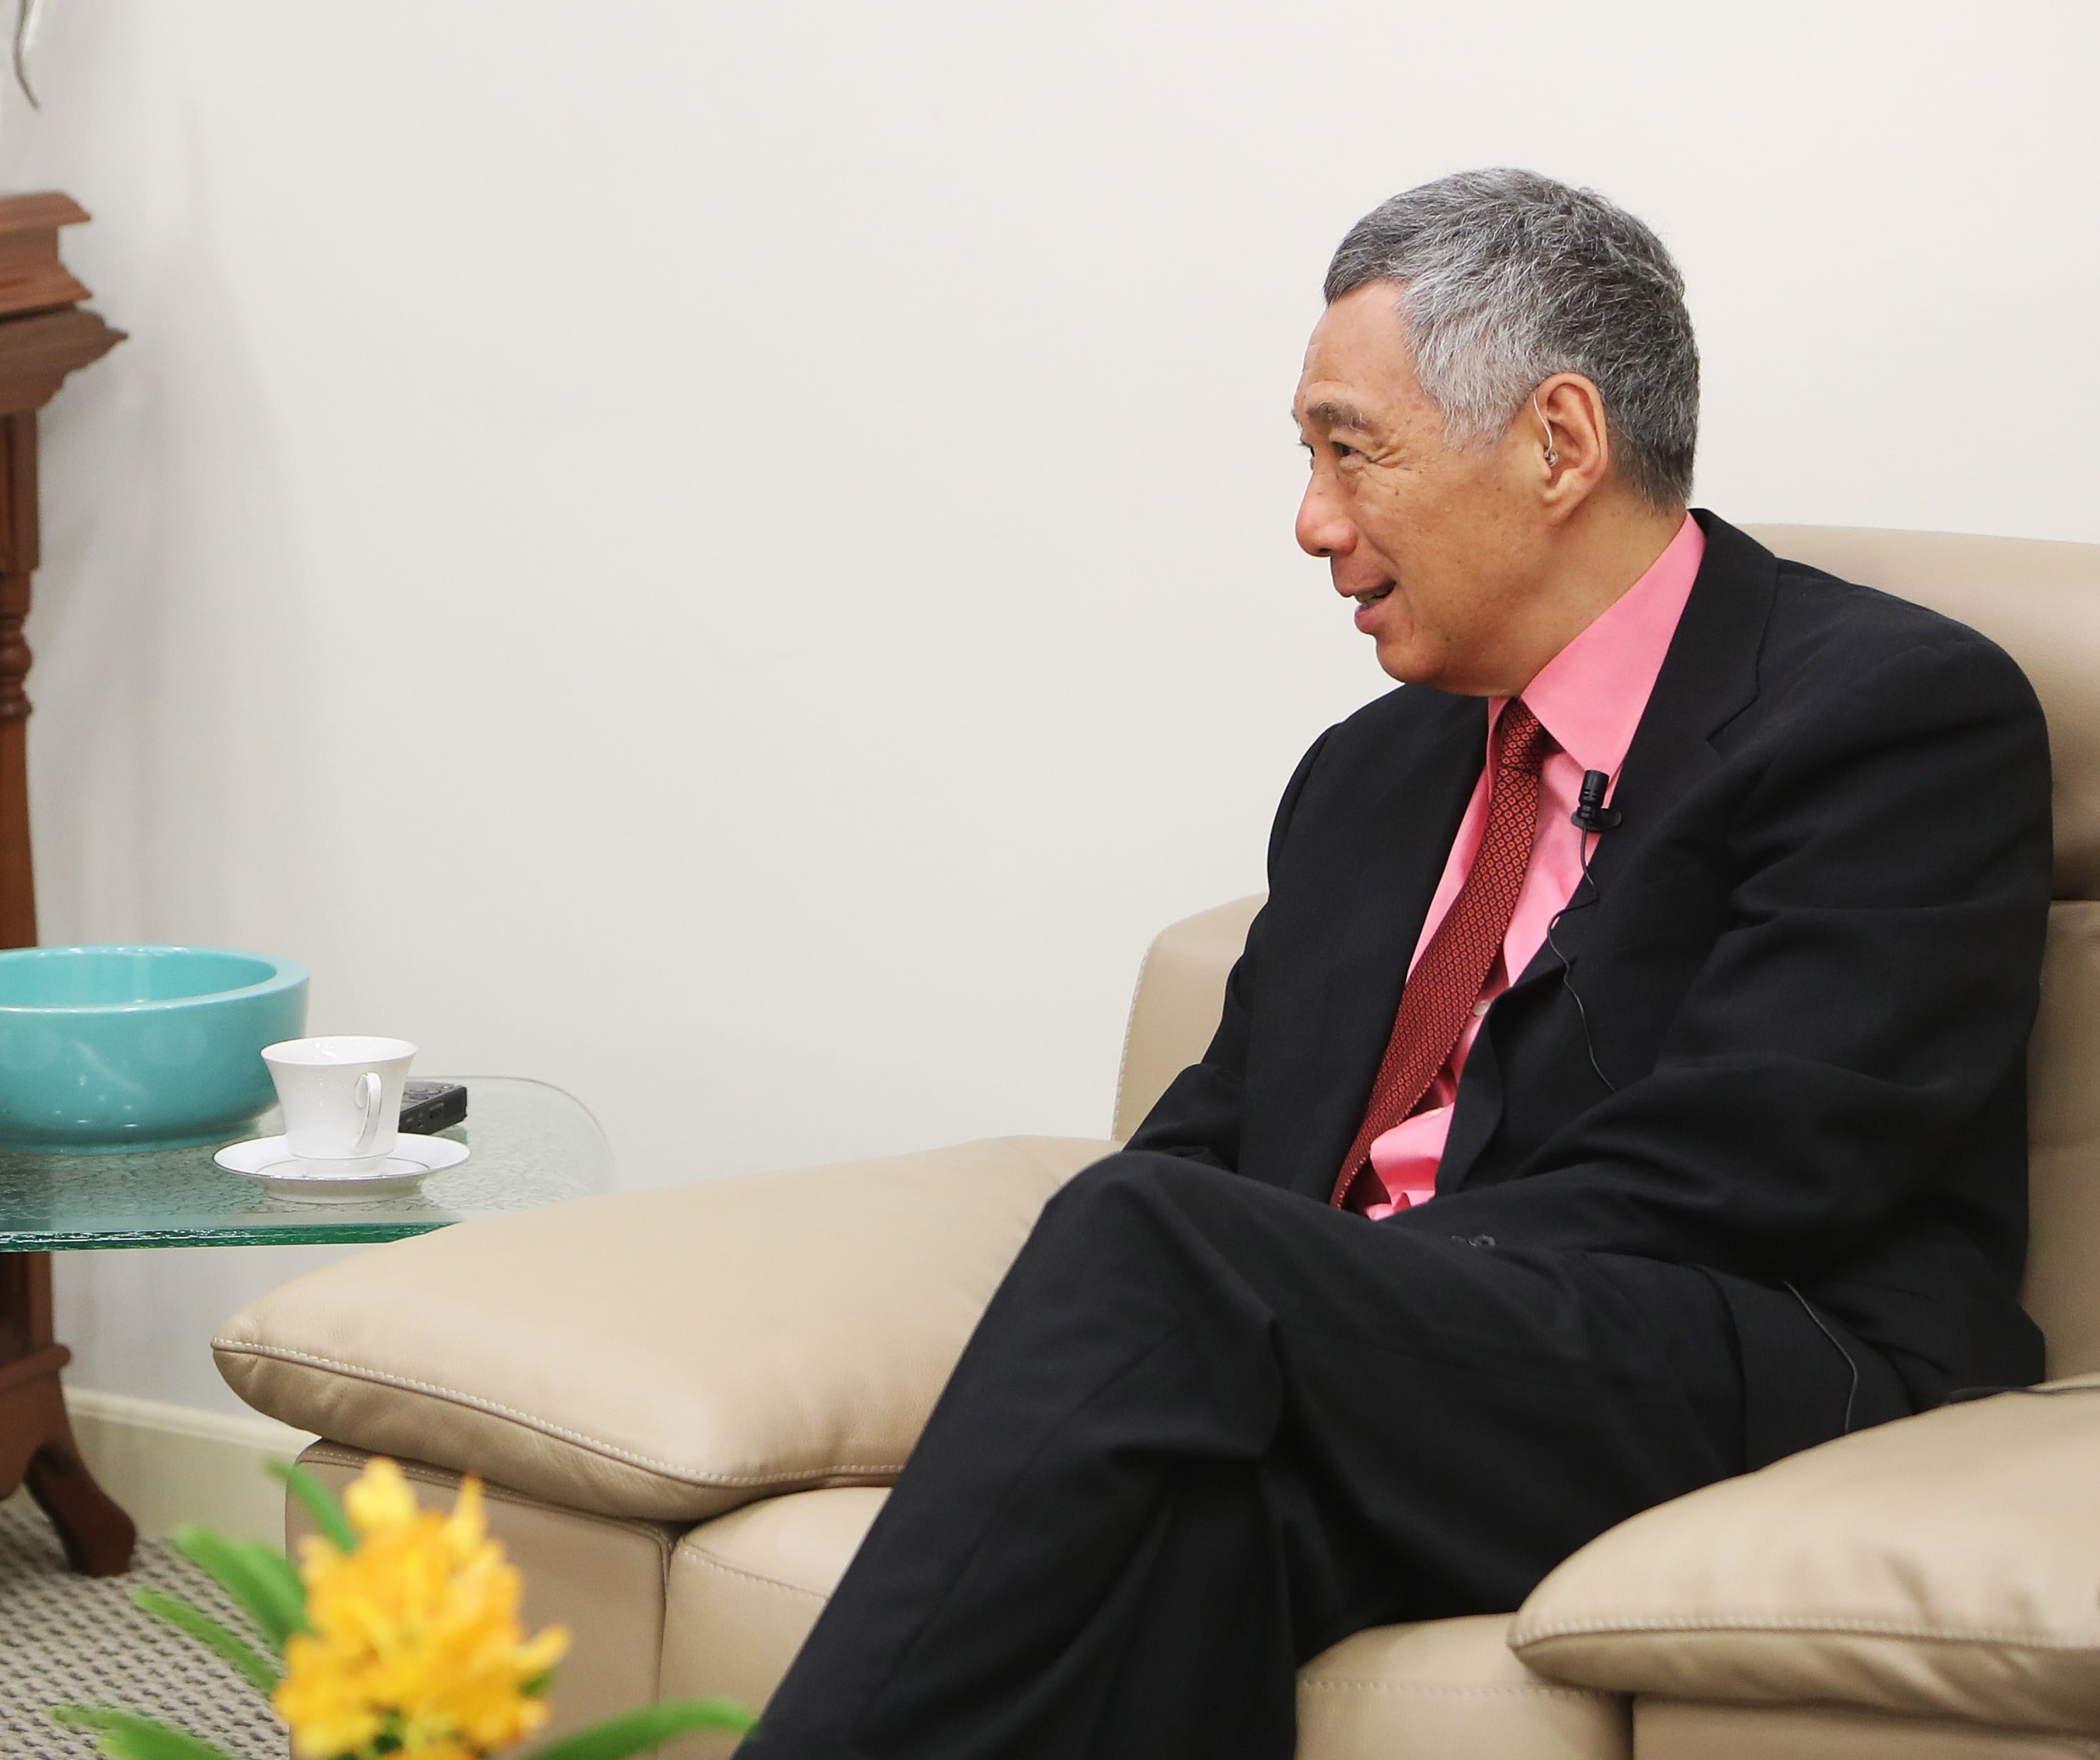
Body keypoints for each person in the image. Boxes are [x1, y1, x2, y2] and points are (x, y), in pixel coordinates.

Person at [740, 169, 2052, 1758]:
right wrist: (1278, 1313)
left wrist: (1314, 1296)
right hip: (1404, 1373)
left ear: (1558, 442)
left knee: (1148, 1243)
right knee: (1196, 1508)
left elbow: (1760, 1161)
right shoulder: (1371, 775)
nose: (1313, 521)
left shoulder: (1890, 712)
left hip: (1755, 1351)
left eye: (1348, 448)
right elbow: (1224, 1137)